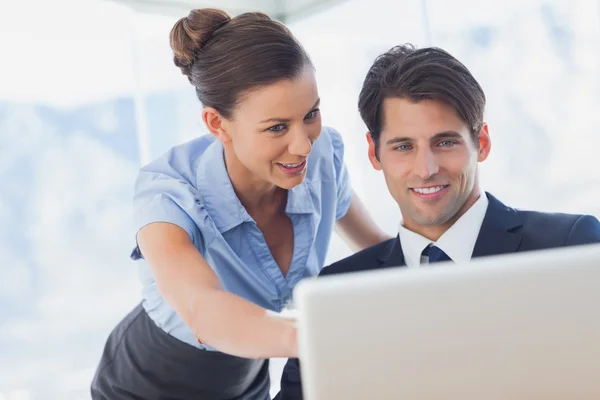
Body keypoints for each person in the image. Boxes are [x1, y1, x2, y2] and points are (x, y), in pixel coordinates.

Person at [90, 8, 389, 400]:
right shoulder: (167, 192)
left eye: (310, 114)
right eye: (277, 127)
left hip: (247, 381)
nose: (302, 145)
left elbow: (380, 252)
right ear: (217, 124)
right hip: (147, 385)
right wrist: (325, 333)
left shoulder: (323, 154)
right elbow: (204, 310)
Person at [275, 44, 600, 400]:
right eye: (403, 147)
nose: (426, 169)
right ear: (374, 152)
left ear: (482, 142)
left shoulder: (571, 246)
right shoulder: (336, 292)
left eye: (445, 142)